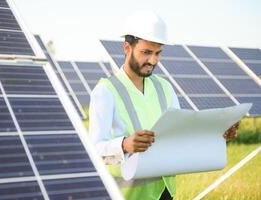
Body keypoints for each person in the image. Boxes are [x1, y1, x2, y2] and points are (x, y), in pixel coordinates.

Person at [89, 10, 238, 200]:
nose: (153, 60)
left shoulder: (164, 87)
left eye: (158, 53)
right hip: (127, 195)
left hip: (165, 193)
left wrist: (216, 134)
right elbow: (93, 152)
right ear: (127, 48)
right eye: (146, 52)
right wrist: (124, 145)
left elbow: (180, 134)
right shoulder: (105, 91)